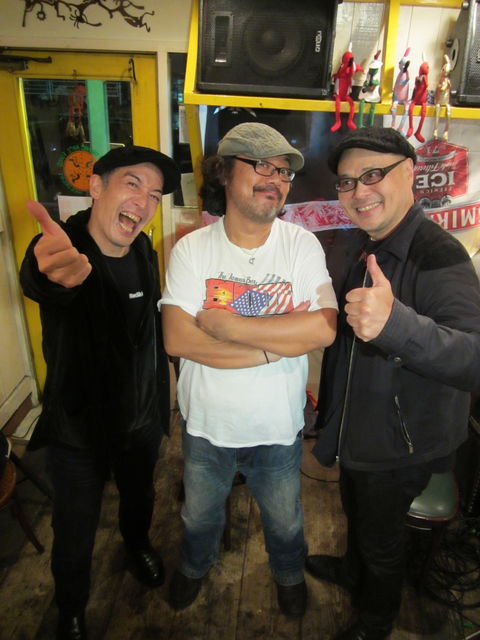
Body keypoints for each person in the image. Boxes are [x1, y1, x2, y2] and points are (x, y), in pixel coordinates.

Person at [305, 127, 480, 640]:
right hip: (362, 430)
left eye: (373, 175)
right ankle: (352, 571)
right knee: (356, 514)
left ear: (410, 174)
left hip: (400, 444)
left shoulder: (438, 253)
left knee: (382, 543)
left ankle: (375, 623)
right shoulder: (371, 245)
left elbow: (474, 358)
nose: (358, 191)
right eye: (347, 182)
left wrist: (395, 325)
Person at [160, 122, 338, 618]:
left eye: (283, 171)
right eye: (261, 165)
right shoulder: (192, 249)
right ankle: (194, 566)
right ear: (223, 172)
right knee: (198, 517)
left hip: (277, 428)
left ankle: (288, 575)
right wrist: (273, 346)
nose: (275, 178)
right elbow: (178, 340)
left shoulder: (301, 245)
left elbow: (323, 328)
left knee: (285, 521)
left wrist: (227, 327)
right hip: (206, 427)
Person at [20, 144, 181, 640]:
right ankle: (70, 607)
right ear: (96, 186)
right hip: (79, 429)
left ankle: (137, 546)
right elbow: (44, 277)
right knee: (74, 529)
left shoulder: (143, 250)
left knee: (140, 498)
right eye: (132, 184)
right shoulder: (63, 248)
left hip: (139, 419)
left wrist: (161, 402)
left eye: (154, 194)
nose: (143, 202)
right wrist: (49, 275)